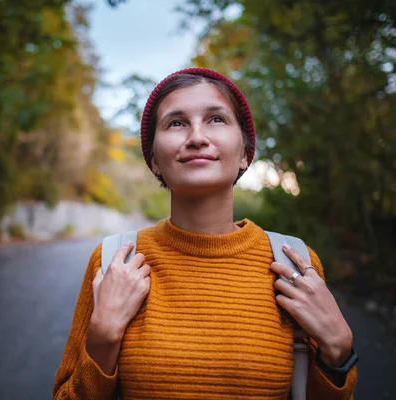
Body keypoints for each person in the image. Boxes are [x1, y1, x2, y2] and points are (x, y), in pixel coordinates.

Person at [52, 68, 358, 399]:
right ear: (153, 159)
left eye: (216, 119)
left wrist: (338, 350)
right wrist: (103, 336)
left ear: (244, 153)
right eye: (176, 123)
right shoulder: (114, 260)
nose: (197, 137)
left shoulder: (294, 263)